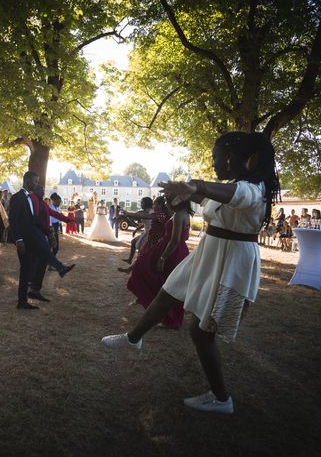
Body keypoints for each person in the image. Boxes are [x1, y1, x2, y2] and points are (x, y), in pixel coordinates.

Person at [102, 131, 280, 415]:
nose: (213, 163)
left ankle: (222, 399)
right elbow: (211, 201)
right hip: (211, 251)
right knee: (168, 292)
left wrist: (196, 185)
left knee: (201, 332)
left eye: (216, 157)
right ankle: (133, 339)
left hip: (232, 260)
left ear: (231, 158)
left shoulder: (252, 188)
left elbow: (235, 197)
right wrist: (187, 194)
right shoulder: (232, 184)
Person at [9, 171, 75, 310]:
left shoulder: (30, 198)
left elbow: (34, 221)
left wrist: (47, 231)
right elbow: (13, 221)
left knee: (40, 258)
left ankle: (28, 297)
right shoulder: (17, 197)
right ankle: (23, 301)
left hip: (32, 238)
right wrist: (18, 240)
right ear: (27, 181)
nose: (37, 184)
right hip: (24, 241)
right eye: (35, 181)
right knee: (26, 269)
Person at [127, 198, 192, 328]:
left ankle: (169, 318)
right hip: (174, 249)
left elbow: (175, 240)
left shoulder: (179, 215)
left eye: (169, 200)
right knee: (150, 272)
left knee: (166, 283)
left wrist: (162, 258)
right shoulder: (184, 213)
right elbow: (186, 236)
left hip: (172, 251)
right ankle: (161, 313)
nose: (167, 203)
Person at [118, 197, 169, 273]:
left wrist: (128, 213)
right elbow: (142, 216)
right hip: (152, 235)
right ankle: (132, 267)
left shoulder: (156, 214)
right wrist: (137, 228)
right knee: (141, 253)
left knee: (144, 254)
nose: (153, 205)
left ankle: (136, 269)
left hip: (154, 237)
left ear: (160, 205)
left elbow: (145, 216)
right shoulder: (157, 213)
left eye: (154, 203)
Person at [122, 197, 154, 265]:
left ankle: (137, 265)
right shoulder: (144, 211)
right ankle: (130, 260)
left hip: (150, 233)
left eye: (142, 203)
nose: (141, 204)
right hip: (146, 231)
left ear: (147, 203)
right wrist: (137, 229)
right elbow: (145, 223)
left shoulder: (151, 212)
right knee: (133, 242)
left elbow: (140, 215)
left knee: (142, 251)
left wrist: (128, 213)